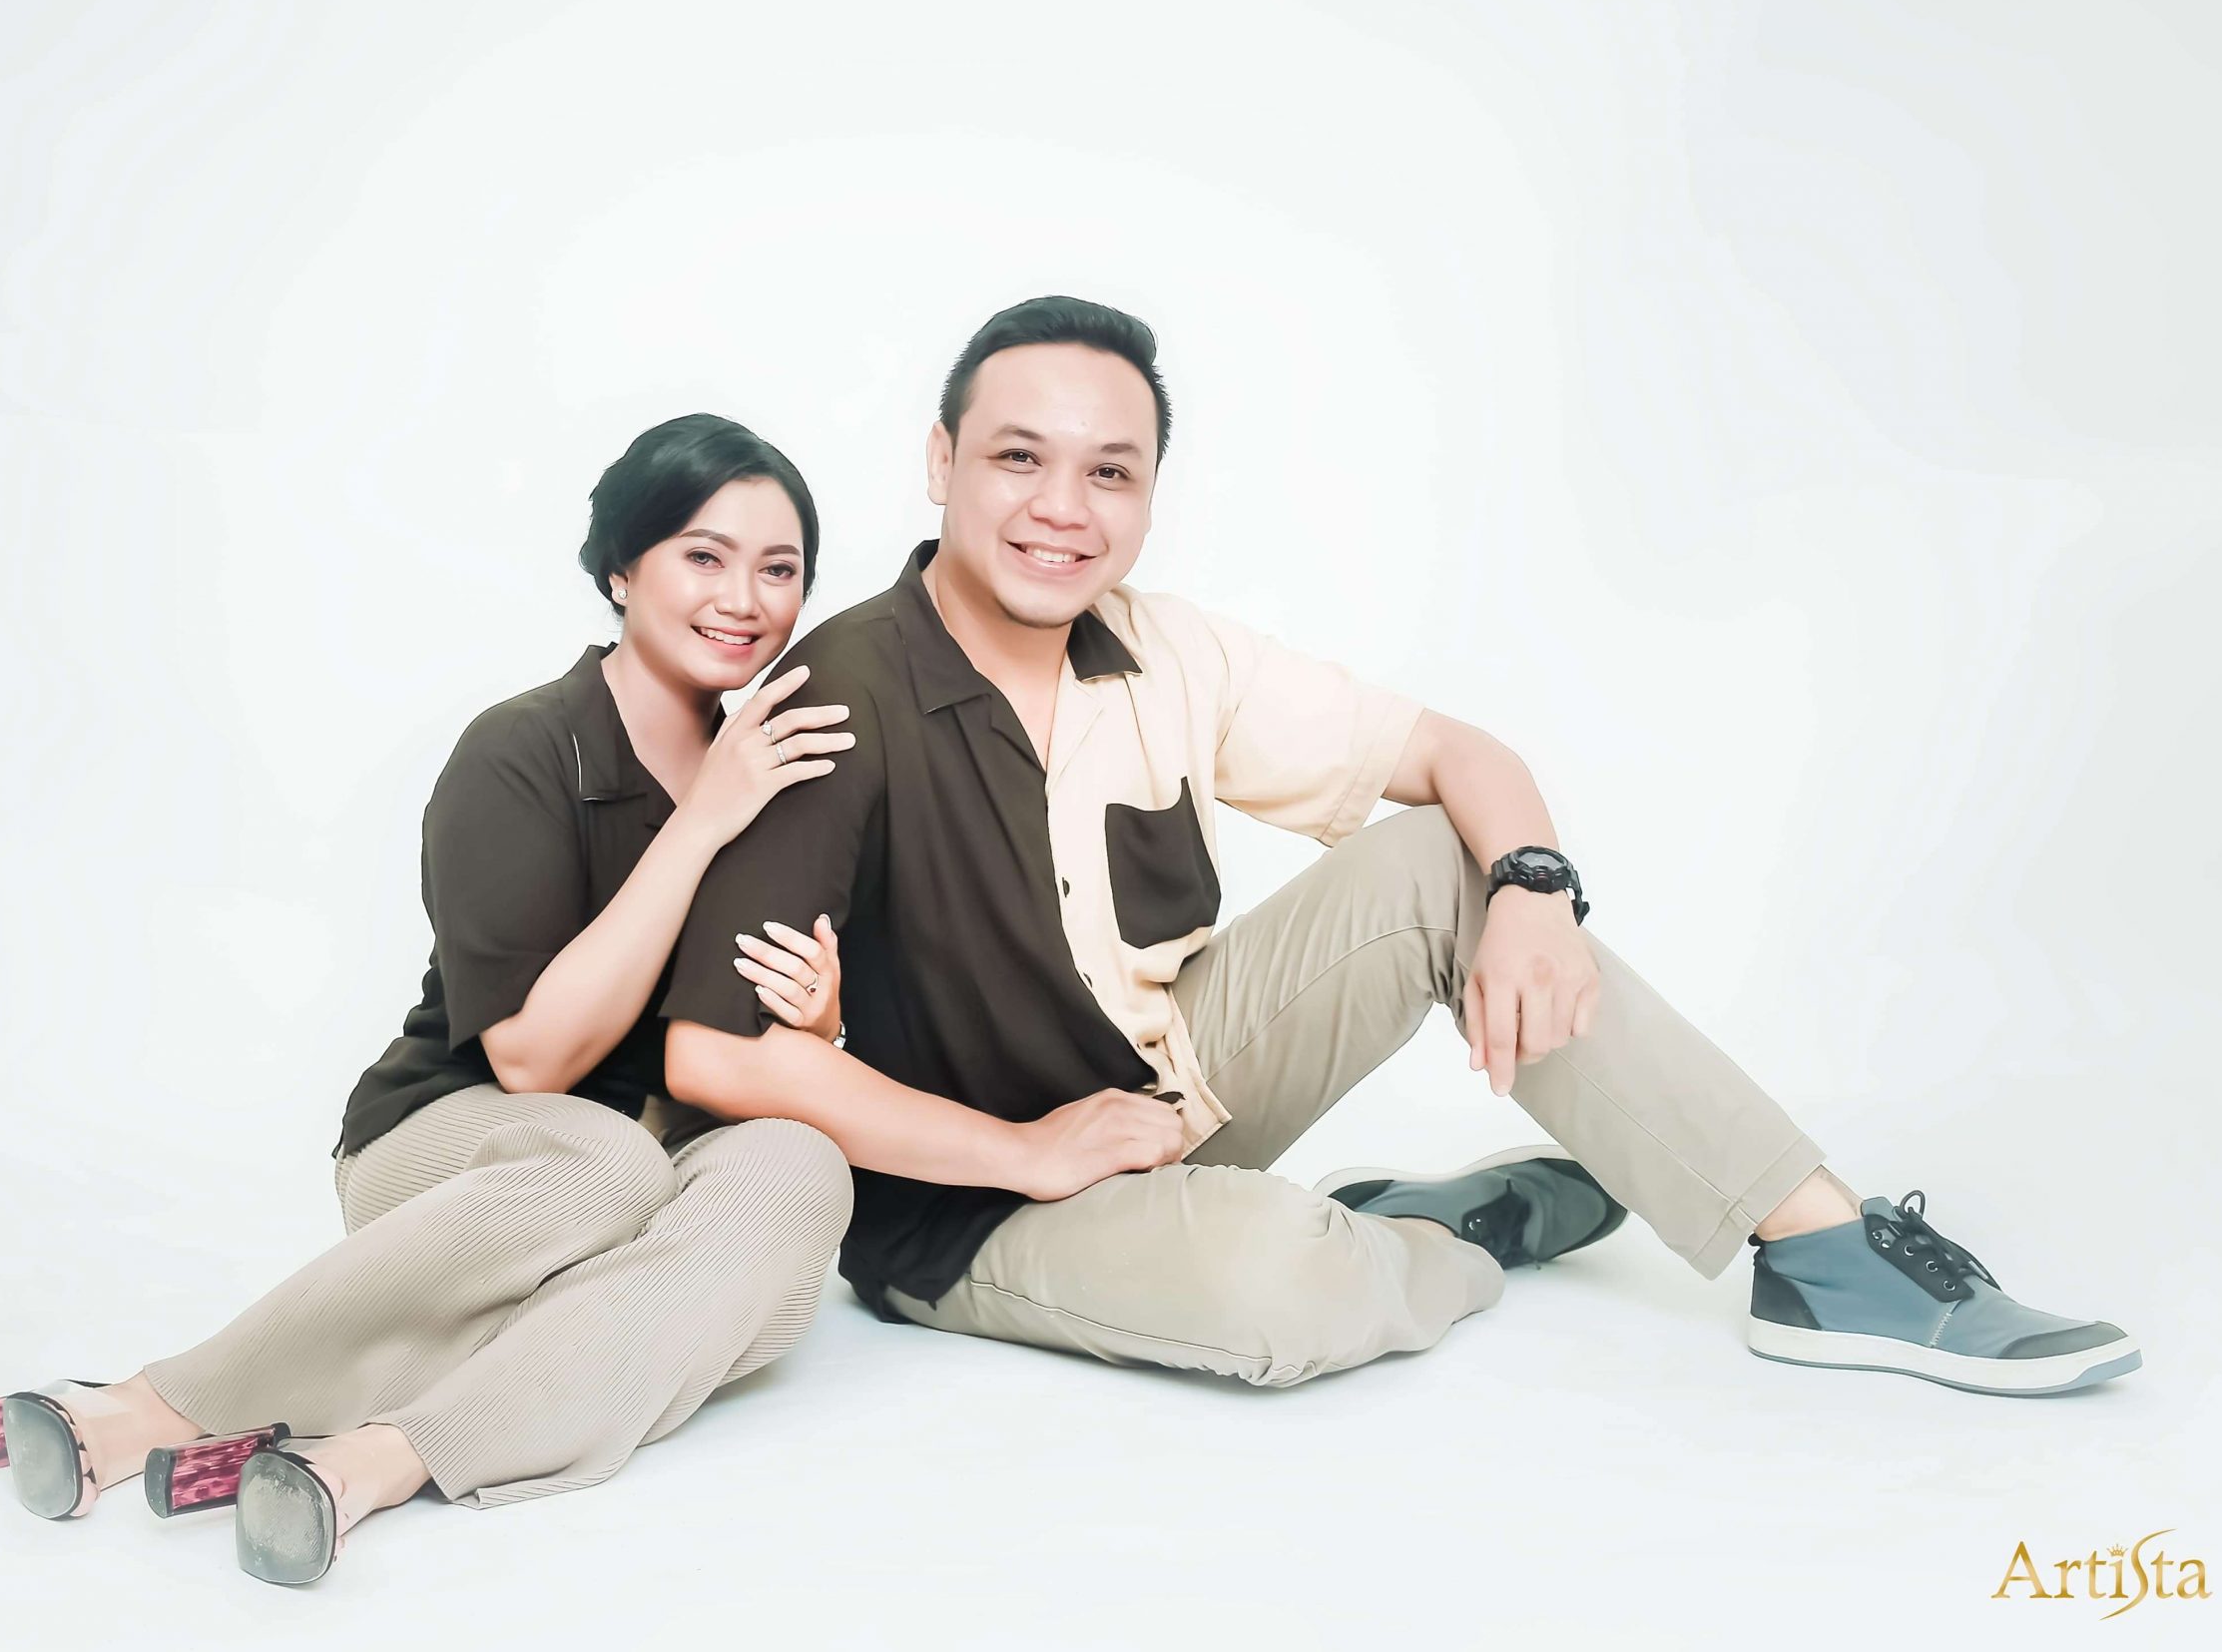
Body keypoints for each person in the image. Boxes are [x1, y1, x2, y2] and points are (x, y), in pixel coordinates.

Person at [656, 297, 2140, 1398]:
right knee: (1278, 1292)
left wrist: (1536, 894)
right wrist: (1024, 1151)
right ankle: (1436, 1235)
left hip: (1165, 1098)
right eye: (1018, 458)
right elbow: (716, 1054)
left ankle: (1823, 1253)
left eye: (1110, 472)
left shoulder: (1165, 648)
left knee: (1449, 859)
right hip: (973, 1205)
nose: (1062, 508)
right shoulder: (840, 690)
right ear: (940, 461)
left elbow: (1455, 757)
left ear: (1152, 491)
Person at [0, 414, 861, 1585]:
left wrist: (819, 1024)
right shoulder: (521, 750)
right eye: (703, 555)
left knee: (802, 1169)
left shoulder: (777, 768)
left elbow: (740, 1040)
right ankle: (150, 1405)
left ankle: (377, 1456)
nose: (744, 598)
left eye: (779, 569)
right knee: (606, 1169)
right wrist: (703, 820)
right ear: (622, 567)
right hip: (471, 1150)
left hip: (652, 1164)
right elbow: (533, 1059)